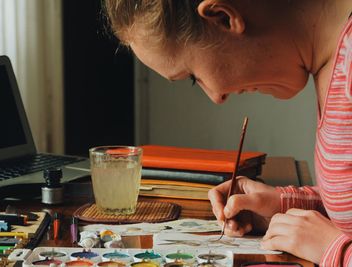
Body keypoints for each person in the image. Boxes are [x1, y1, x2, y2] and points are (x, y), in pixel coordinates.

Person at [103, 0, 352, 265]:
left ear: (223, 17)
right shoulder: (334, 61)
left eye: (192, 76)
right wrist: (283, 206)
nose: (216, 96)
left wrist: (333, 251)